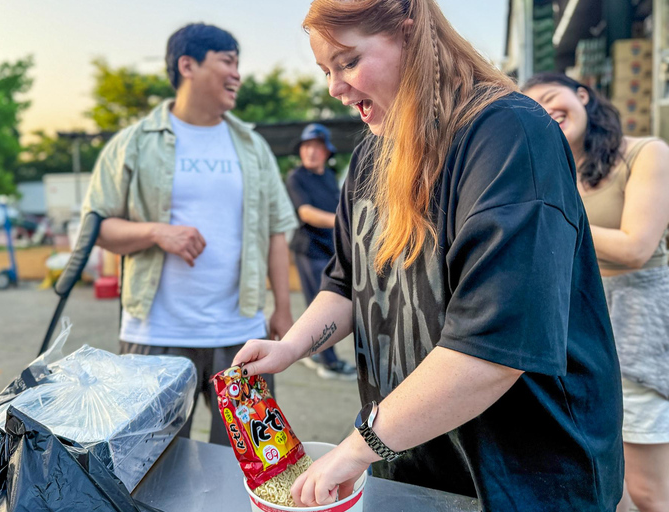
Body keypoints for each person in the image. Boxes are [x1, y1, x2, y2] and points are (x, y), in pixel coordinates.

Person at [233, 0, 624, 510]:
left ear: (410, 37)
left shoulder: (508, 133)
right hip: (415, 463)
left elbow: (494, 349)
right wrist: (290, 347)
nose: (334, 87)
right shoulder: (371, 155)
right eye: (326, 71)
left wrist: (358, 448)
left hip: (527, 478)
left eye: (348, 62)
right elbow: (346, 285)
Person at [82, 23, 298, 445]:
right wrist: (157, 232)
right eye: (227, 62)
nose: (237, 74)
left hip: (242, 337)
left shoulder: (253, 146)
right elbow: (98, 227)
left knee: (250, 466)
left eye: (238, 64)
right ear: (188, 65)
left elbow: (276, 231)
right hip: (155, 337)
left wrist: (283, 309)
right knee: (147, 465)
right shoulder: (133, 143)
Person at [524, 73, 669, 512]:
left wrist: (546, 210)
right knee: (607, 486)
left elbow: (636, 249)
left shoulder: (645, 153)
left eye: (551, 98)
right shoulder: (549, 174)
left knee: (648, 492)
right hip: (579, 341)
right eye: (533, 110)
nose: (546, 111)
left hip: (638, 334)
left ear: (582, 95)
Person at [286, 123, 357, 380]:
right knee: (319, 307)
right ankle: (328, 362)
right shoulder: (296, 177)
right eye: (306, 147)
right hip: (309, 250)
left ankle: (320, 354)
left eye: (316, 147)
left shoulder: (329, 176)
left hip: (331, 249)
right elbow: (305, 213)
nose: (310, 153)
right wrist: (346, 220)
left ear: (327, 152)